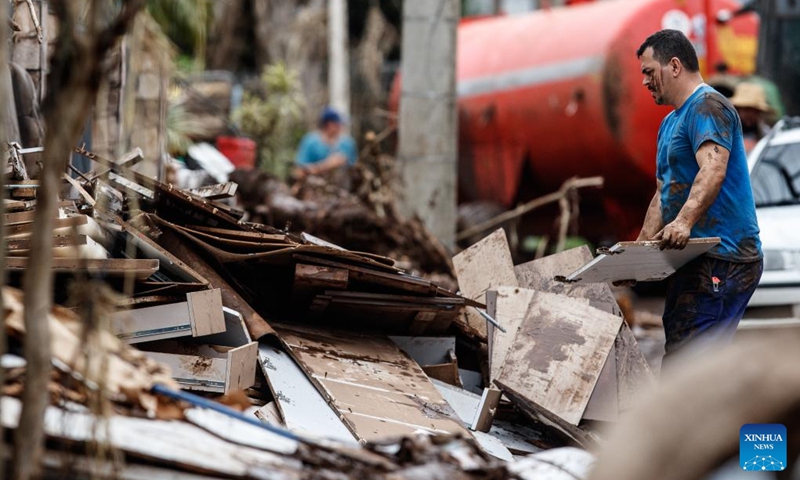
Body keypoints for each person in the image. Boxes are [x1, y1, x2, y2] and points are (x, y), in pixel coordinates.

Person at [633, 29, 763, 366]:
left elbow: (713, 169)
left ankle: (703, 419)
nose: (645, 82)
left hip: (725, 256)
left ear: (674, 66)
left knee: (691, 361)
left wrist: (684, 222)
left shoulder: (708, 106)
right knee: (681, 346)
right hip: (694, 256)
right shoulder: (670, 123)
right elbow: (665, 191)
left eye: (649, 72)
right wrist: (636, 255)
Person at [293, 107, 357, 181]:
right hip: (314, 187)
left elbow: (355, 169)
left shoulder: (348, 143)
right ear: (329, 124)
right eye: (338, 124)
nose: (341, 127)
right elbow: (298, 172)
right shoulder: (310, 141)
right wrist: (327, 165)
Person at [729, 82, 772, 153]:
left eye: (755, 111)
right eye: (747, 109)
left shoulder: (767, 136)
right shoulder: (725, 134)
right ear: (737, 109)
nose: (750, 115)